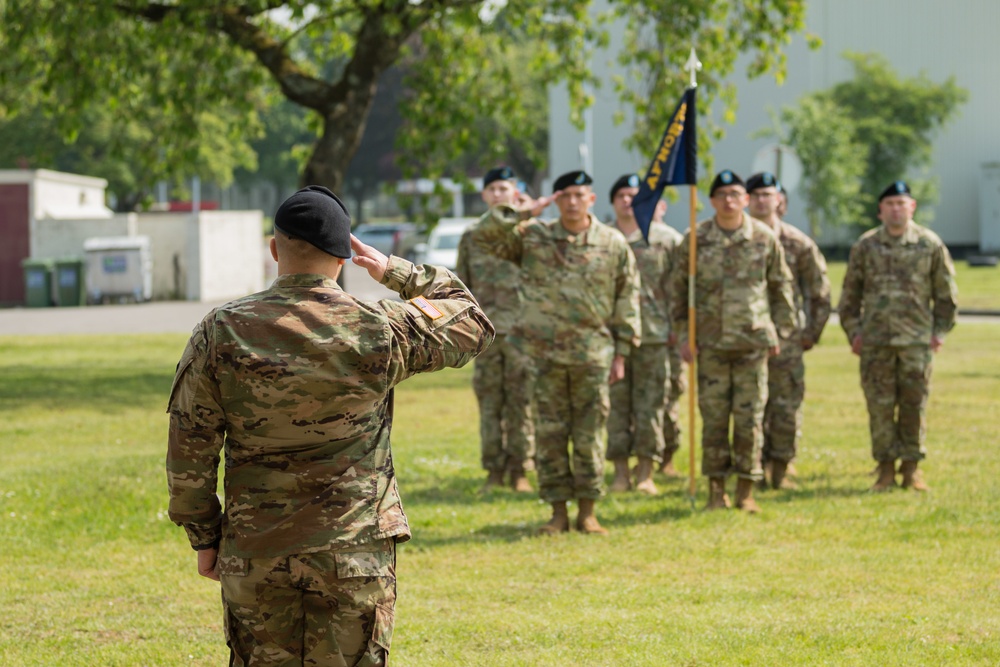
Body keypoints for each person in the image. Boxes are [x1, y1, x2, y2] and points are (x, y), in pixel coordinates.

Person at [166, 185, 494, 666]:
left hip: (257, 550)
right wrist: (395, 270)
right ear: (343, 258)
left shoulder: (221, 330)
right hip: (353, 550)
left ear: (273, 249)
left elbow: (189, 448)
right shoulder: (379, 326)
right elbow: (472, 320)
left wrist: (204, 537)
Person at [473, 170, 641, 534]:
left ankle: (588, 511)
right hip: (544, 357)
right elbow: (483, 237)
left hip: (592, 356)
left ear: (591, 199)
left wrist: (622, 352)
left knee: (589, 435)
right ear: (555, 200)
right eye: (564, 195)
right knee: (549, 436)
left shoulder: (612, 243)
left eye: (580, 195)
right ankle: (557, 512)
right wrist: (524, 211)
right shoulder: (535, 237)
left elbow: (627, 297)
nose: (572, 202)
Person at [673, 170, 795, 513]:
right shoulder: (696, 239)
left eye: (735, 194)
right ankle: (716, 490)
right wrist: (683, 335)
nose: (729, 200)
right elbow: (678, 291)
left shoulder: (763, 238)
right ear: (711, 201)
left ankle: (746, 489)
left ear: (746, 199)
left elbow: (780, 286)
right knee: (713, 419)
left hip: (751, 343)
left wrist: (780, 331)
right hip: (710, 344)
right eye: (722, 194)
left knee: (749, 418)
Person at [838, 180, 958, 492]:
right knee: (879, 408)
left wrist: (939, 332)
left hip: (915, 343)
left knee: (913, 406)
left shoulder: (929, 244)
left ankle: (911, 469)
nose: (895, 209)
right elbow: (849, 296)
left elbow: (946, 295)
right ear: (880, 210)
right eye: (889, 204)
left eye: (901, 203)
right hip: (875, 343)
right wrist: (854, 332)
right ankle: (885, 470)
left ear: (912, 207)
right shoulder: (866, 246)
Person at [746, 172, 831, 490]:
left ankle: (780, 469)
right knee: (748, 407)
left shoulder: (798, 242)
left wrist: (810, 333)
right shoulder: (737, 239)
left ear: (779, 200)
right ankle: (750, 469)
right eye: (756, 195)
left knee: (784, 406)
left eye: (767, 195)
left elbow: (820, 292)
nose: (761, 201)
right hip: (745, 338)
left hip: (786, 341)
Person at [456, 166, 536, 493]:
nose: (499, 194)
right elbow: (462, 286)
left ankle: (520, 469)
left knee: (521, 402)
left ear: (516, 193)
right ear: (484, 195)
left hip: (521, 332)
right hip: (486, 334)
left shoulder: (529, 232)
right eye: (493, 189)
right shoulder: (472, 235)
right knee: (490, 403)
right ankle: (494, 470)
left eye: (505, 188)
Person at [605, 174, 678, 496]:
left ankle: (647, 471)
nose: (627, 201)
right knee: (616, 408)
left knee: (652, 406)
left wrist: (677, 327)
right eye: (621, 195)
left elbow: (679, 287)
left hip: (654, 336)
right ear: (612, 202)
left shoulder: (666, 239)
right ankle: (620, 472)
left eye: (633, 195)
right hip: (611, 337)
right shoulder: (603, 238)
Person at [651, 198, 686, 478]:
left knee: (669, 394)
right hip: (632, 332)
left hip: (668, 333)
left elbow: (682, 287)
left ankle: (667, 456)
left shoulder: (673, 240)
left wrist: (680, 327)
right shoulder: (615, 236)